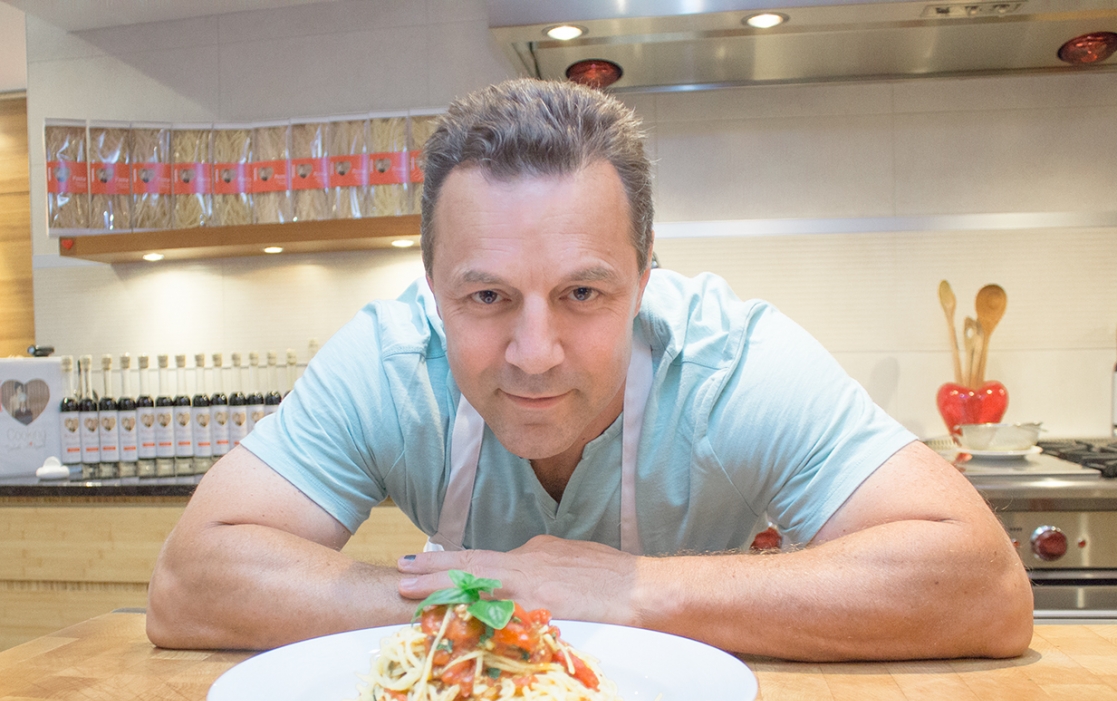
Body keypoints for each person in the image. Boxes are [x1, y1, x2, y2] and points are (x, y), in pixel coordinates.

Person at [147, 79, 1033, 660]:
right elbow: (191, 583)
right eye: (485, 297)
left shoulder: (735, 365)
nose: (534, 355)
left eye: (582, 293)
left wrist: (632, 589)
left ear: (647, 278)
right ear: (432, 290)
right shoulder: (385, 362)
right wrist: (477, 598)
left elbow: (980, 585)